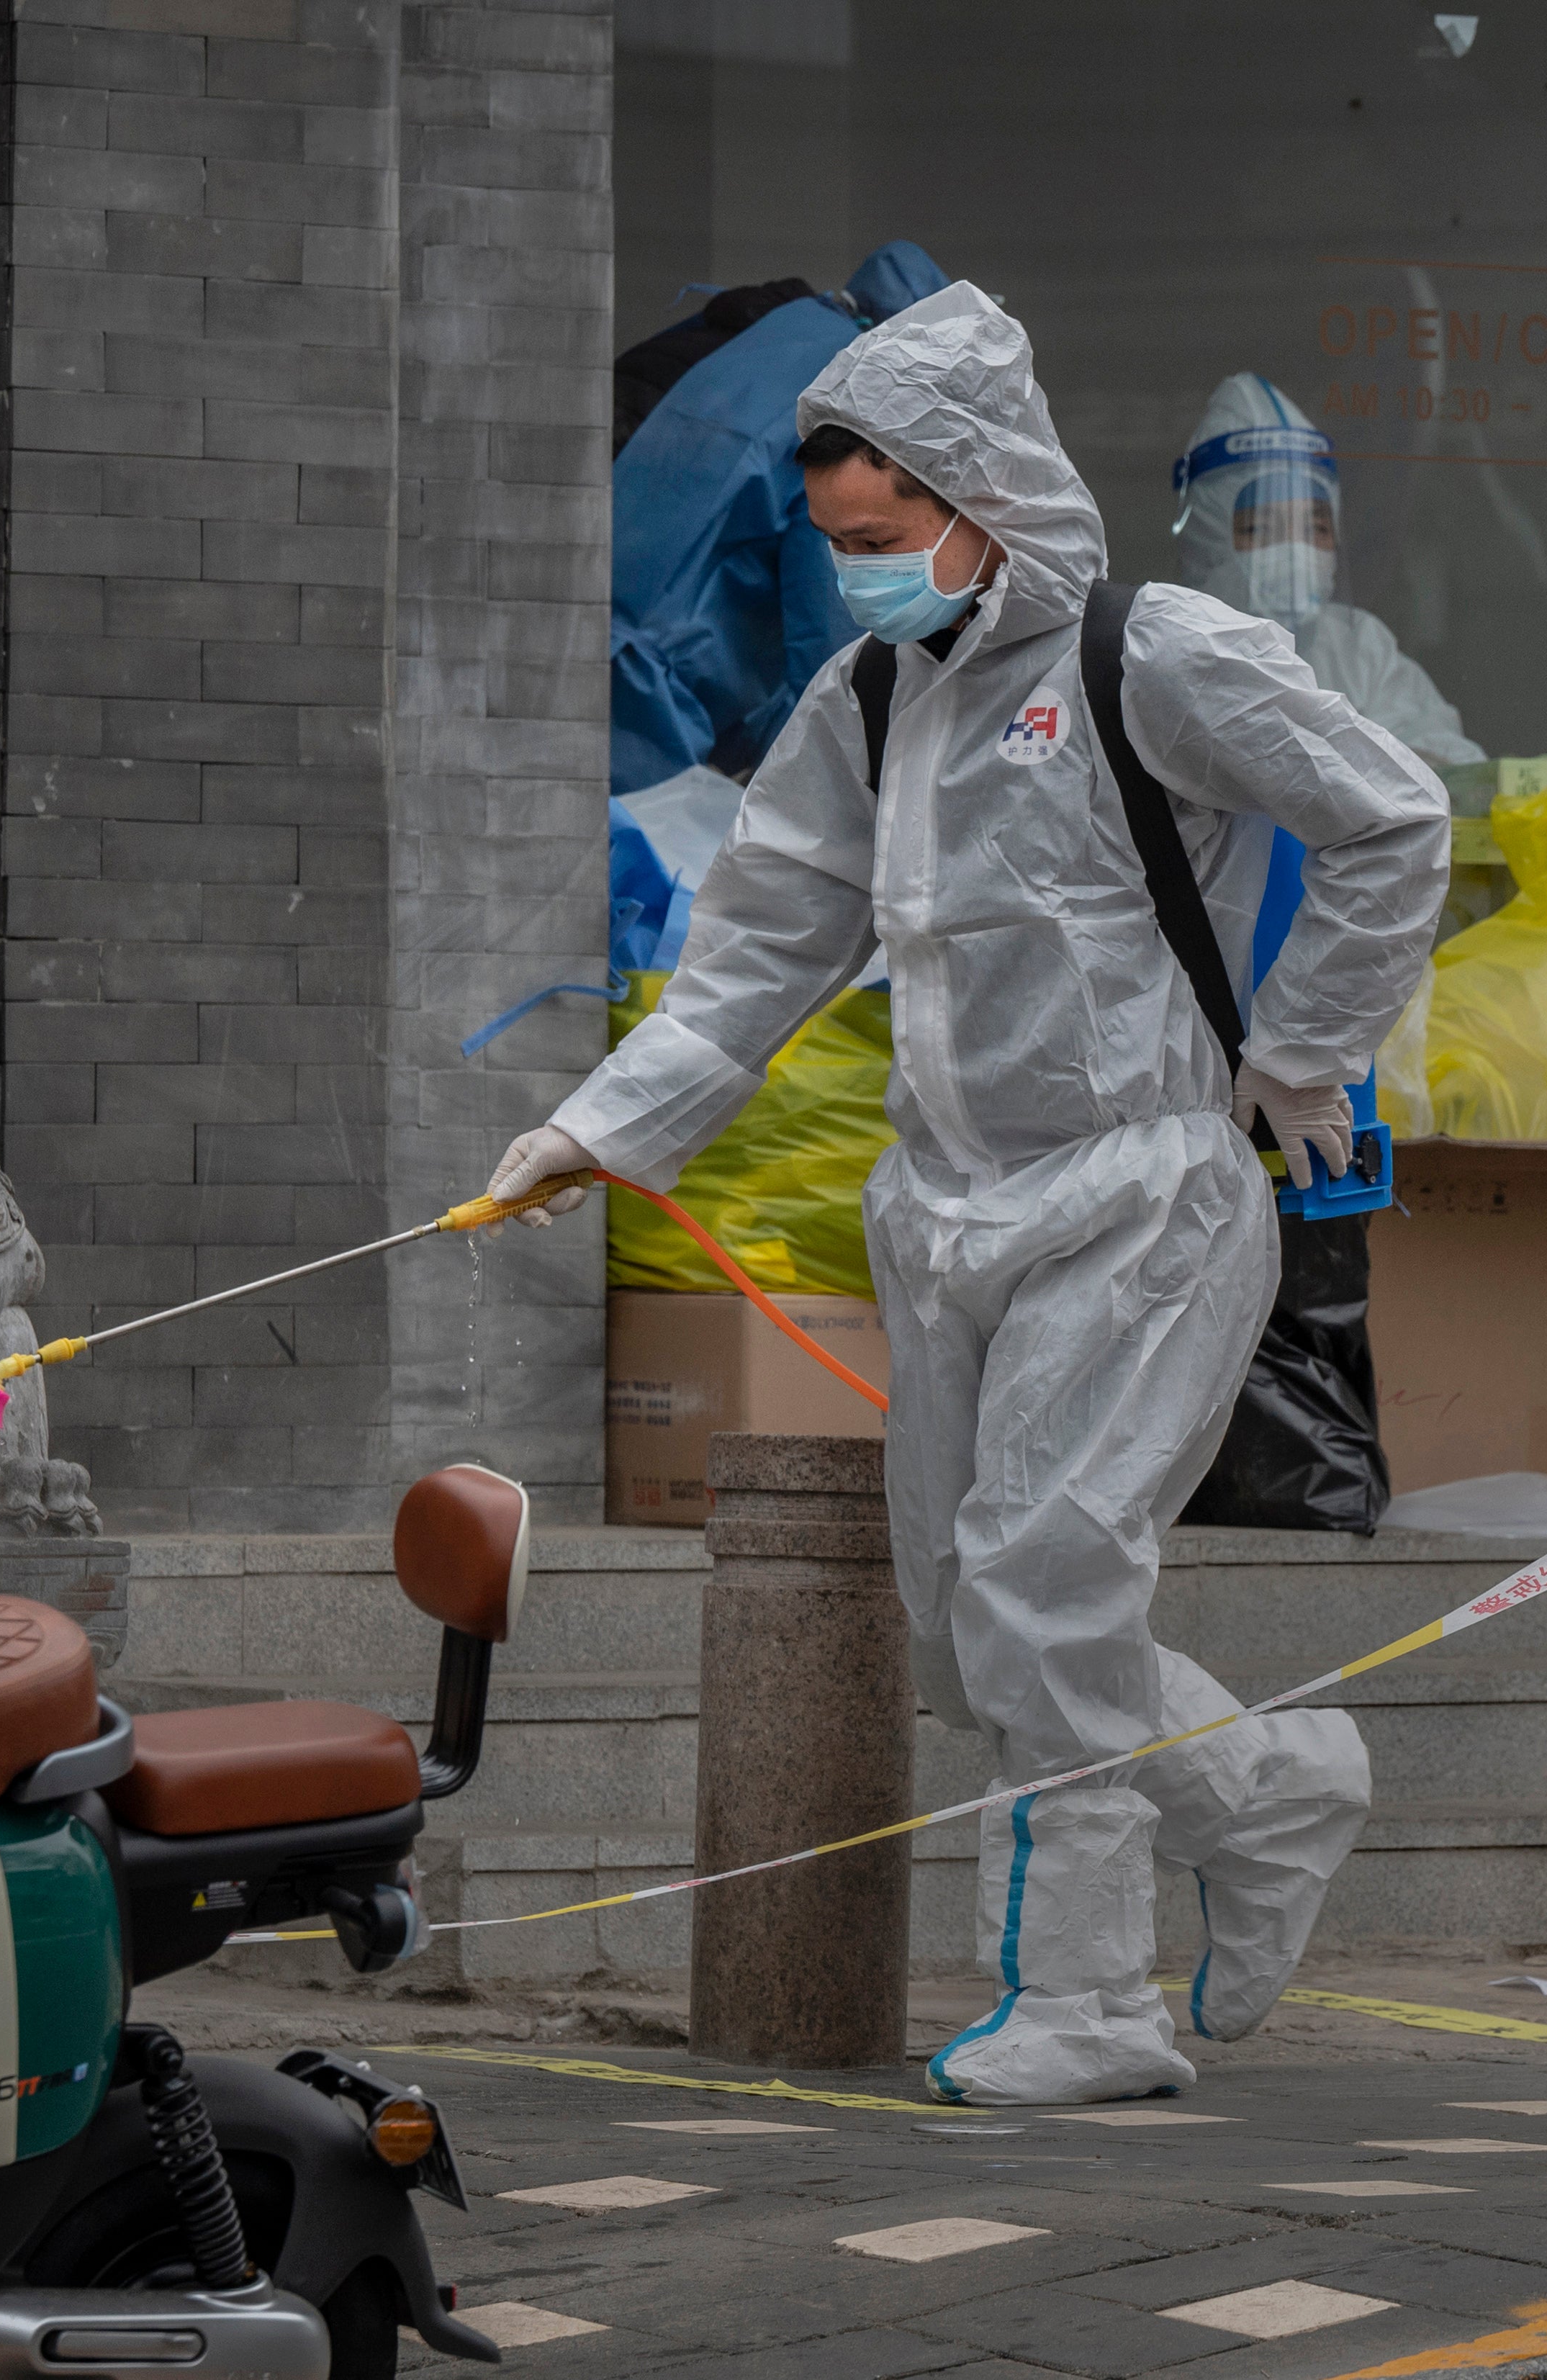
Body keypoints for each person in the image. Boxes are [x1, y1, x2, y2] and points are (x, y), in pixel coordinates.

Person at [492, 284, 1451, 2104]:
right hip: (943, 1211)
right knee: (966, 1625)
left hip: (1141, 1195)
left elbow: (1391, 815)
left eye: (884, 538)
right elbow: (754, 947)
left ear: (980, 492)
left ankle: (1091, 2001)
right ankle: (1265, 1796)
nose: (859, 572)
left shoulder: (1146, 654)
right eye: (838, 544)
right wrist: (599, 1132)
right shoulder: (868, 700)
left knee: (1046, 1579)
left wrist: (1303, 1049)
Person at [608, 242, 950, 793]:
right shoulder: (849, 391)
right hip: (659, 686)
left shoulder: (768, 336)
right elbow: (829, 652)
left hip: (595, 638)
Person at [1172, 374, 1484, 770]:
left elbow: (1454, 776)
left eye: (1313, 529)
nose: (1294, 553)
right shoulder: (1166, 656)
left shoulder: (1359, 652)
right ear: (1208, 541)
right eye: (1263, 529)